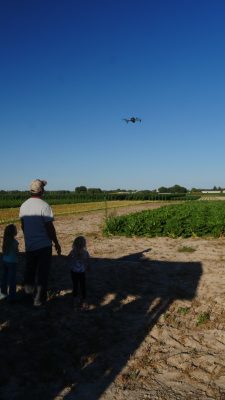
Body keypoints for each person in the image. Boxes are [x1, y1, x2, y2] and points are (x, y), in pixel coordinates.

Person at [19, 179, 61, 306]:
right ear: (42, 190)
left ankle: (27, 296)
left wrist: (29, 237)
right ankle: (39, 300)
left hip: (30, 245)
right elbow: (50, 228)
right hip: (44, 245)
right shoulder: (44, 206)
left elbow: (23, 225)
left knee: (29, 271)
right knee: (42, 273)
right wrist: (56, 243)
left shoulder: (24, 205)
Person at [67, 236, 90, 310]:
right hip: (79, 272)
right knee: (80, 286)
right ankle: (82, 300)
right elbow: (87, 261)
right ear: (84, 245)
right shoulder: (82, 252)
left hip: (75, 272)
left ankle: (77, 300)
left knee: (76, 286)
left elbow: (68, 258)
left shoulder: (74, 252)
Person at [0, 224, 19, 303]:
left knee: (4, 279)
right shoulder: (15, 242)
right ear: (13, 233)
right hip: (12, 262)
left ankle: (3, 294)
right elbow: (16, 252)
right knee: (12, 280)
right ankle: (12, 297)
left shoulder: (5, 241)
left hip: (5, 261)